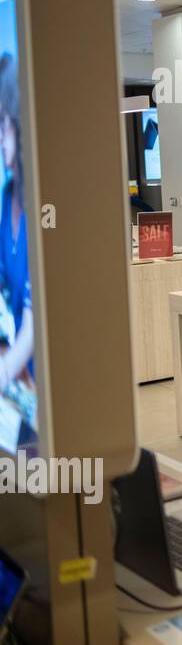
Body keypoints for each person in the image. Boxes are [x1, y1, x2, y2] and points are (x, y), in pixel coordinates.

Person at [0, 54, 35, 449]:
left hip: (37, 389)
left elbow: (31, 326)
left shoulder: (36, 208)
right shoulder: (6, 197)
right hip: (16, 380)